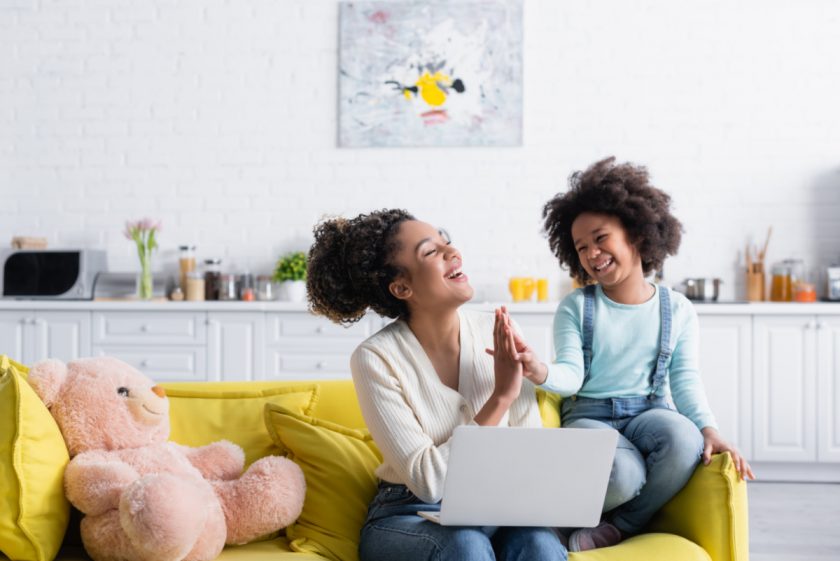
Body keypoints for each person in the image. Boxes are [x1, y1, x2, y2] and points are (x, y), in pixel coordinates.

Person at [506, 157, 755, 552]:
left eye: (601, 238)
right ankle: (568, 518)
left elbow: (685, 379)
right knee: (623, 473)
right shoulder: (576, 306)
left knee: (684, 438)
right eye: (582, 247)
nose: (592, 253)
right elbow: (571, 374)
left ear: (637, 234)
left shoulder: (677, 310)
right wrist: (539, 370)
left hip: (649, 410)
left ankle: (620, 525)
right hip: (589, 414)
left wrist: (708, 428)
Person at [306, 209, 568, 561]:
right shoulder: (375, 358)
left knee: (541, 544)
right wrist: (500, 398)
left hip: (492, 506)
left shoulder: (499, 327)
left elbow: (526, 451)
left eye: (448, 242)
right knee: (464, 545)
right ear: (401, 287)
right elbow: (428, 480)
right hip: (407, 513)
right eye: (431, 252)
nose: (453, 253)